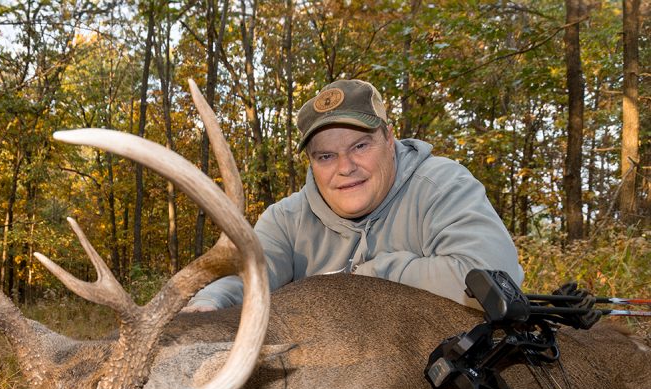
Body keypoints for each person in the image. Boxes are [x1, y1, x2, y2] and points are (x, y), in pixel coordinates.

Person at [185, 79, 524, 311]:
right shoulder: (286, 220)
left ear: (389, 138)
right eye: (326, 156)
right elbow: (250, 277)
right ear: (312, 162)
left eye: (360, 146)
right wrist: (211, 301)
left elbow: (495, 279)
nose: (345, 167)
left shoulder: (439, 185)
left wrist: (368, 278)